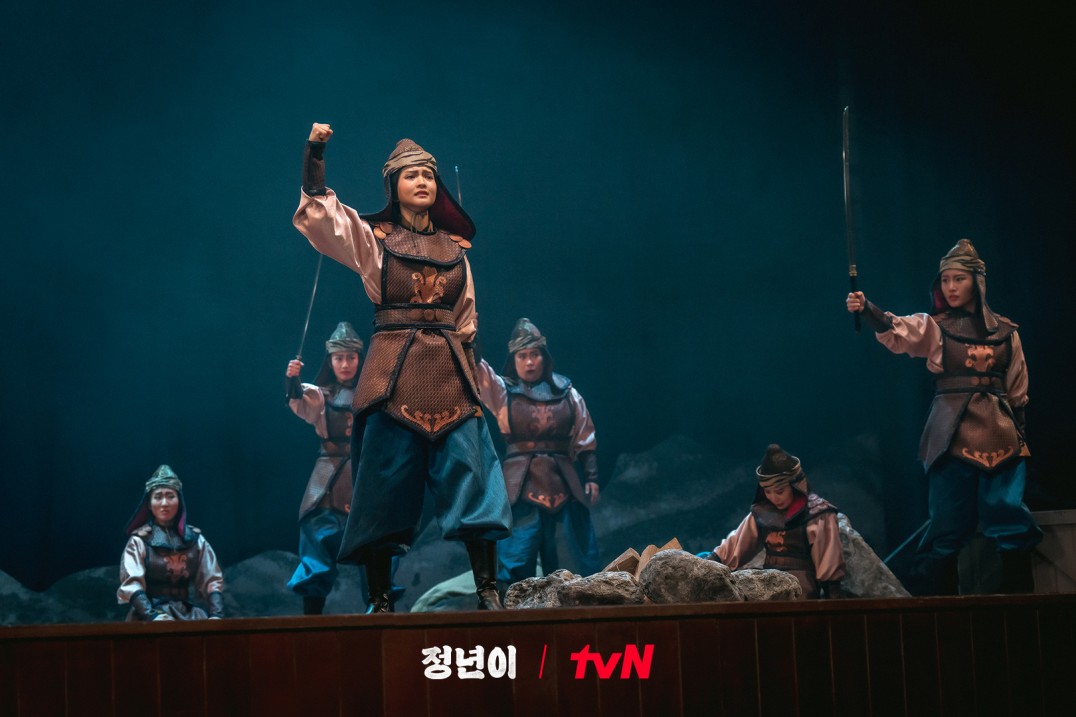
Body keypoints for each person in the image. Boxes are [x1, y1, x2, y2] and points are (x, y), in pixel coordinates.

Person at [291, 125, 511, 612]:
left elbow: (467, 319)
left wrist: (471, 374)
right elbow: (328, 220)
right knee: (382, 486)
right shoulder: (378, 242)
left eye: (428, 175)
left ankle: (488, 589)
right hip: (392, 373)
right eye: (412, 176)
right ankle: (379, 597)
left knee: (475, 477)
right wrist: (315, 155)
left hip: (451, 373)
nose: (422, 182)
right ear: (394, 185)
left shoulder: (456, 250)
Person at [846, 238, 1042, 594]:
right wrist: (867, 309)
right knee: (947, 518)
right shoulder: (935, 327)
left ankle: (1020, 604)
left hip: (1000, 432)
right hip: (951, 433)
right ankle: (946, 608)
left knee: (1006, 511)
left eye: (959, 279)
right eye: (946, 280)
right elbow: (897, 328)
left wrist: (1020, 434)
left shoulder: (1006, 333)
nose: (951, 287)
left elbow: (1017, 389)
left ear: (977, 283)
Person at [285, 321, 405, 614]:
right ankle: (312, 620)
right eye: (339, 358)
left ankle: (381, 611)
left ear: (359, 359)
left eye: (351, 357)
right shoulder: (321, 396)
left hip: (366, 477)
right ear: (330, 362)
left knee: (378, 546)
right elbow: (300, 400)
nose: (345, 364)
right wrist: (292, 380)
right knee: (317, 544)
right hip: (327, 481)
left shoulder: (374, 394)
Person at [475, 318, 601, 588]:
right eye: (522, 356)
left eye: (535, 354)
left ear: (545, 357)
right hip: (520, 488)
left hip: (564, 484)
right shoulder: (503, 392)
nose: (529, 362)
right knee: (516, 564)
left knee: (577, 566)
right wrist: (469, 338)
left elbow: (584, 433)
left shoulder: (567, 393)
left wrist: (591, 476)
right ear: (514, 360)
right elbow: (479, 371)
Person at [705, 444, 845, 599]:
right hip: (768, 583)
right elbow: (738, 543)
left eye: (779, 491)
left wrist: (833, 593)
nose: (773, 498)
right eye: (767, 491)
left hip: (801, 587)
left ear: (795, 486)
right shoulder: (763, 512)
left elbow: (828, 557)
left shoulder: (818, 515)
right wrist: (711, 562)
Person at [117, 464, 225, 621]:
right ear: (149, 504)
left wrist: (216, 615)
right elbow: (132, 583)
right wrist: (152, 615)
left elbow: (211, 579)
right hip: (148, 616)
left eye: (170, 496)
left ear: (179, 501)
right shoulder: (139, 541)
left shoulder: (195, 540)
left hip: (189, 615)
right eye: (158, 497)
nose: (164, 503)